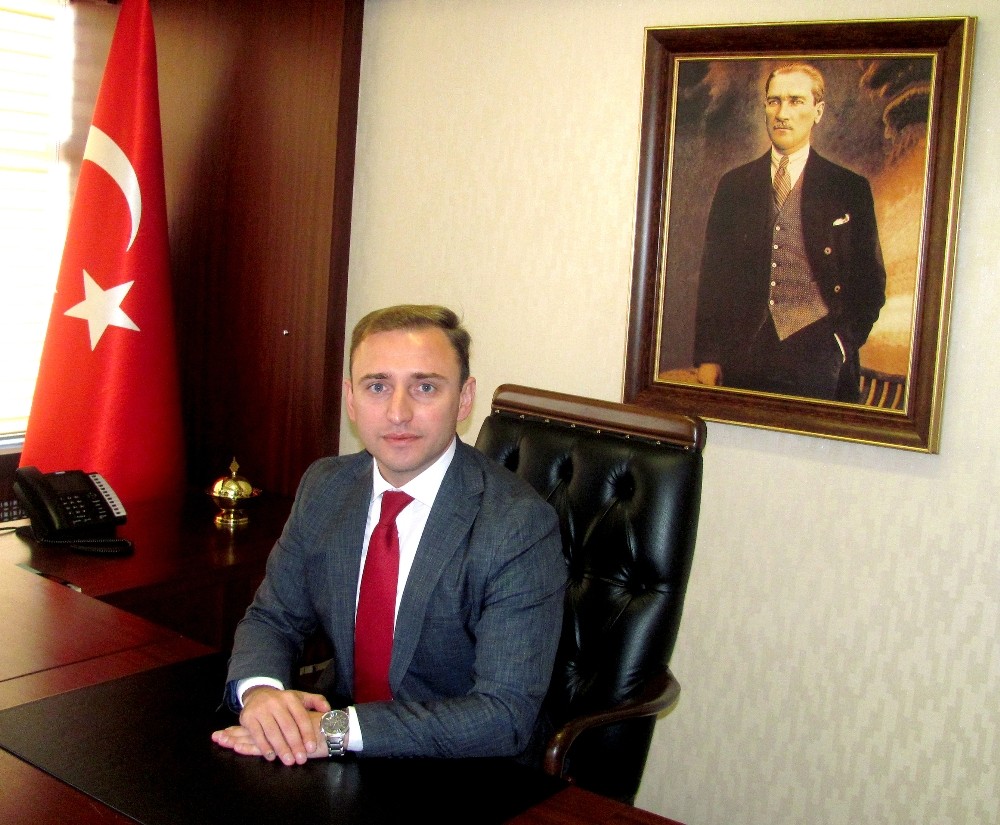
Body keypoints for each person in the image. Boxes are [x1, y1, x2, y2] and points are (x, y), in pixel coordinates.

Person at [212, 305, 567, 766]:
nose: (398, 413)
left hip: (467, 770)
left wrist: (334, 731)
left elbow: (504, 717)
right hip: (340, 746)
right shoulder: (326, 486)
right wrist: (262, 694)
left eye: (425, 387)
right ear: (351, 399)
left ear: (464, 399)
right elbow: (273, 618)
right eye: (377, 386)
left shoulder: (518, 525)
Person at [693, 63, 886, 402]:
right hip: (744, 359)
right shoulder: (734, 185)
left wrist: (840, 344)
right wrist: (709, 356)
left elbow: (870, 282)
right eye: (774, 101)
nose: (782, 113)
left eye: (796, 101)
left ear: (818, 111)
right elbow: (714, 278)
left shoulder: (848, 188)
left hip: (820, 364)